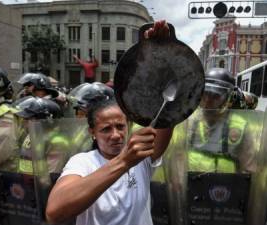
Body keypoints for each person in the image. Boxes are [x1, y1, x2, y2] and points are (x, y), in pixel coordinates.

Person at [45, 20, 173, 225]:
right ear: (92, 132)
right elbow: (54, 212)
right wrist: (123, 162)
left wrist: (158, 59)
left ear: (129, 126)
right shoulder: (83, 162)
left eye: (120, 126)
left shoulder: (141, 156)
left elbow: (168, 112)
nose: (115, 135)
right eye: (106, 129)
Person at [187, 67, 257, 173]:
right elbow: (177, 156)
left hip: (226, 186)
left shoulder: (239, 126)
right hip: (191, 185)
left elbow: (249, 168)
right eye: (206, 94)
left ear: (228, 98)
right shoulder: (190, 120)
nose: (208, 101)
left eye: (215, 96)